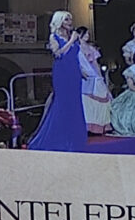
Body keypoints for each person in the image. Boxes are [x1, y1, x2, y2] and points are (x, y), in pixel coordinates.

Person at [25, 11, 92, 152]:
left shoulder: (72, 36)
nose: (70, 22)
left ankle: (73, 138)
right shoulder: (54, 37)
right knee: (62, 103)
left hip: (74, 74)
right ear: (60, 21)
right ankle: (54, 138)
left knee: (74, 104)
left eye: (71, 19)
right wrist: (71, 41)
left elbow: (74, 57)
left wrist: (81, 71)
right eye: (67, 19)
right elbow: (58, 54)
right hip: (62, 74)